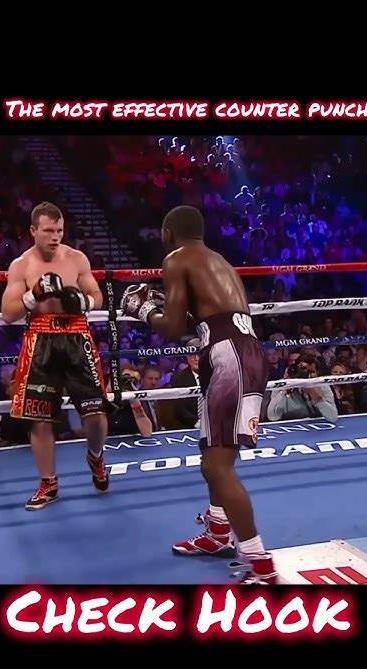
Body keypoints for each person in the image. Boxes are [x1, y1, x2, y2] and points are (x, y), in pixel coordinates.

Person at [119, 205, 277, 585]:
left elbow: (173, 328)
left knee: (217, 467)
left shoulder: (176, 259)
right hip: (239, 350)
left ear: (167, 234)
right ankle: (218, 533)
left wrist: (145, 310)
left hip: (228, 357)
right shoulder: (219, 262)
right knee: (213, 454)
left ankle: (261, 565)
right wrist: (163, 307)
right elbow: (206, 317)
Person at [1, 201, 109, 510]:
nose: (55, 236)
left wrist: (84, 303)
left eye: (59, 230)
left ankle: (96, 456)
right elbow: (8, 313)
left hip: (77, 336)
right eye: (48, 230)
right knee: (40, 419)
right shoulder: (21, 265)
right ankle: (48, 483)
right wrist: (32, 295)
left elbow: (97, 296)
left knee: (96, 415)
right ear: (33, 230)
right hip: (40, 339)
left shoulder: (76, 258)